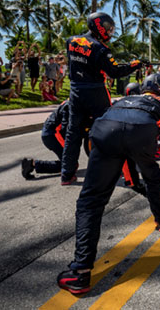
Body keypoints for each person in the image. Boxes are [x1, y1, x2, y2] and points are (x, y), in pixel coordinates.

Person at [56, 74, 160, 295]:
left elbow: (121, 147)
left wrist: (132, 181)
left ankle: (80, 273)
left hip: (105, 129)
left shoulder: (123, 100)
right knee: (153, 176)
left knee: (91, 201)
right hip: (142, 131)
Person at [60, 12, 143, 186]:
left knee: (72, 133)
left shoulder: (71, 41)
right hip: (95, 92)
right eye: (108, 29)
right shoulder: (100, 49)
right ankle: (111, 170)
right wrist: (135, 64)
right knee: (106, 130)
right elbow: (115, 71)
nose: (110, 32)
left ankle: (67, 174)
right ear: (99, 26)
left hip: (75, 92)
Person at [22, 100, 72, 180]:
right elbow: (64, 127)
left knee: (70, 163)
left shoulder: (69, 101)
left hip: (50, 132)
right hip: (52, 135)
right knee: (69, 165)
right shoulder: (69, 105)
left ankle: (32, 164)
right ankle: (32, 164)